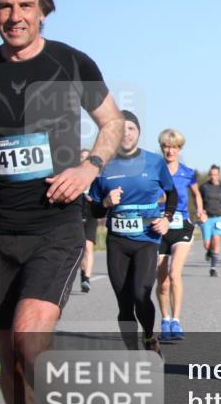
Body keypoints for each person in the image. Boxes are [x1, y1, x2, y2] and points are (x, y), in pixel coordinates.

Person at [0, 0, 124, 404]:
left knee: (29, 340)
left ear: (43, 9)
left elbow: (112, 122)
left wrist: (88, 167)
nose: (14, 15)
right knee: (10, 358)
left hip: (54, 227)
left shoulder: (71, 62)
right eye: (4, 6)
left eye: (26, 5)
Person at [89, 111, 175, 357]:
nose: (126, 134)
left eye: (131, 129)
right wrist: (105, 202)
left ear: (138, 133)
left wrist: (167, 219)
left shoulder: (154, 162)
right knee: (124, 304)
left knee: (141, 293)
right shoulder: (103, 166)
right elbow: (93, 209)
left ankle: (149, 336)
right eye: (121, 129)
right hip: (117, 242)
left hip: (147, 239)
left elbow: (172, 194)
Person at [155, 129, 204, 341]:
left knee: (175, 273)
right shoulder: (155, 172)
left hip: (182, 225)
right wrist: (160, 200)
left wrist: (200, 211)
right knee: (163, 281)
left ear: (179, 149)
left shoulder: (188, 172)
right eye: (166, 146)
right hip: (159, 227)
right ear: (162, 148)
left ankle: (176, 320)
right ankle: (164, 320)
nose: (170, 150)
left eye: (174, 147)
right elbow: (149, 196)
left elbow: (196, 195)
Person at [199, 165, 221, 277]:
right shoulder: (204, 187)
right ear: (209, 175)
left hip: (219, 217)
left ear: (219, 175)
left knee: (217, 240)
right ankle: (209, 251)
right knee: (207, 244)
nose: (213, 177)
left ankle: (213, 268)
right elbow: (198, 201)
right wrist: (200, 211)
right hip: (206, 218)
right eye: (211, 174)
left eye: (215, 174)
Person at [78, 149, 98, 292]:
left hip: (90, 212)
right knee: (79, 248)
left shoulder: (95, 177)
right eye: (82, 157)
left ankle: (87, 278)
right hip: (77, 211)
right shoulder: (74, 175)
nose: (84, 160)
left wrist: (94, 198)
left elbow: (100, 195)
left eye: (87, 157)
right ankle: (82, 272)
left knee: (88, 246)